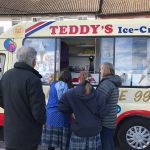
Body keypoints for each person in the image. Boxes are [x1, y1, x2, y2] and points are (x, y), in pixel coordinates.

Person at [0, 46, 46, 150]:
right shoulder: (33, 79)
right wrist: (43, 121)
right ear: (33, 61)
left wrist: (11, 107)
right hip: (28, 136)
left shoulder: (6, 75)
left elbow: (1, 99)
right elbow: (38, 112)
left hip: (10, 134)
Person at [58, 71, 108, 150]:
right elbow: (103, 112)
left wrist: (71, 112)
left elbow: (61, 107)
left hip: (79, 130)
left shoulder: (70, 93)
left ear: (79, 79)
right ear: (91, 79)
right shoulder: (99, 95)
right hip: (94, 131)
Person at [41, 70, 73, 150]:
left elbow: (48, 98)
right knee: (64, 143)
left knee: (51, 144)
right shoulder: (69, 88)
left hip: (50, 116)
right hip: (63, 118)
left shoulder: (53, 84)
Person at [97, 62, 122, 150]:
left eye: (101, 69)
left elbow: (99, 101)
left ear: (105, 70)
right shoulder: (114, 82)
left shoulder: (106, 83)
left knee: (105, 143)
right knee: (109, 142)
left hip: (105, 120)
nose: (100, 71)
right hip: (111, 118)